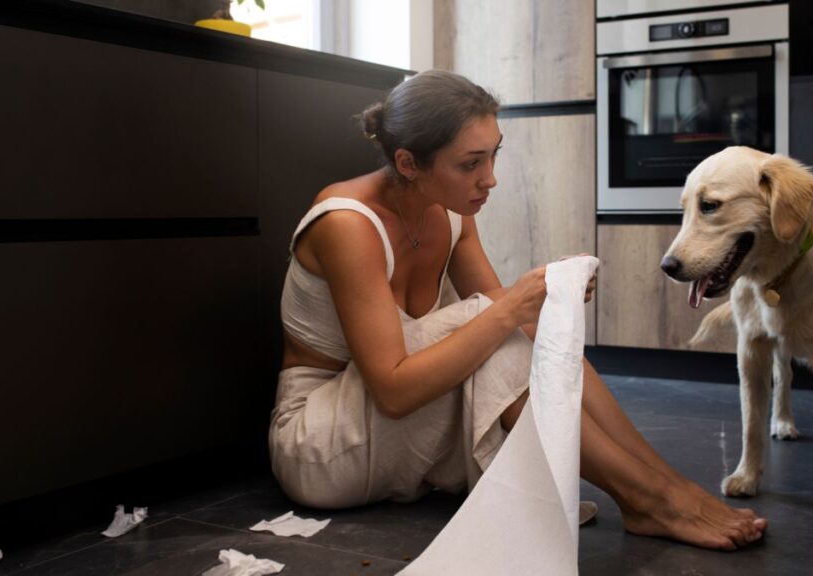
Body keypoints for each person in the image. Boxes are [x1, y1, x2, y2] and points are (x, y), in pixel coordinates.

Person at [268, 69, 766, 550]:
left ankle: (662, 486)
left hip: (394, 438)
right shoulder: (347, 225)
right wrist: (513, 307)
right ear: (407, 163)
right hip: (320, 444)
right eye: (470, 164)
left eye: (493, 157)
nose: (490, 180)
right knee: (498, 324)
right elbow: (396, 390)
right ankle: (648, 498)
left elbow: (513, 325)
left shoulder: (449, 212)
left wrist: (551, 294)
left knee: (518, 330)